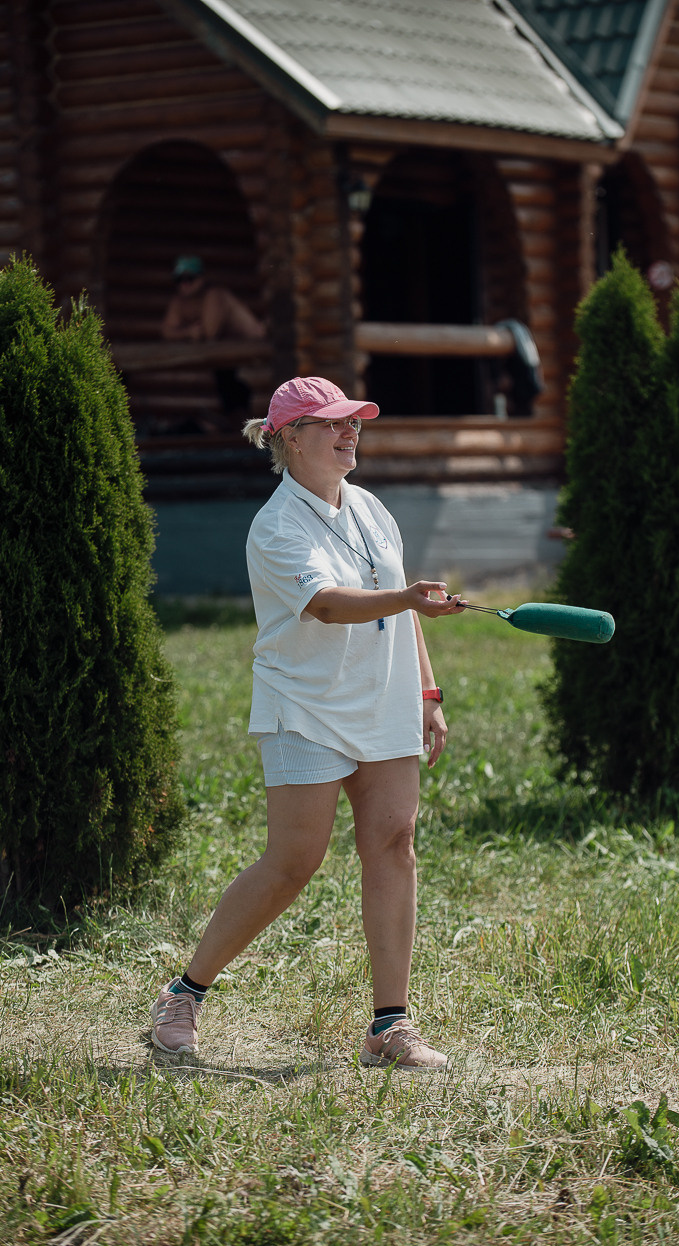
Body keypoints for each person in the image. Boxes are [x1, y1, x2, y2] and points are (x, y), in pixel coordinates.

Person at [150, 376, 466, 1071]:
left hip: (382, 701)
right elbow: (326, 603)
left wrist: (428, 691)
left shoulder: (374, 509)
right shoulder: (276, 526)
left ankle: (390, 1026)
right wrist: (407, 595)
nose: (347, 434)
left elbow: (407, 607)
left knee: (394, 843)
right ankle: (184, 993)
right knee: (294, 863)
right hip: (305, 710)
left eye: (353, 424)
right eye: (329, 425)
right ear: (287, 437)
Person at [160, 255, 266, 432]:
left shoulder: (215, 295)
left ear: (201, 279)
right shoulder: (180, 301)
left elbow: (209, 332)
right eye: (180, 280)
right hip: (228, 361)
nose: (184, 285)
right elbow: (167, 330)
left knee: (239, 393)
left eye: (189, 279)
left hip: (251, 362)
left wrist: (189, 332)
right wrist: (188, 332)